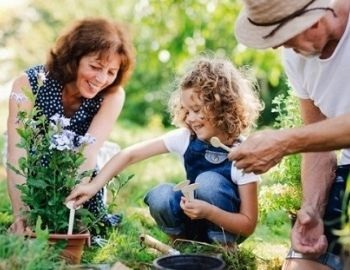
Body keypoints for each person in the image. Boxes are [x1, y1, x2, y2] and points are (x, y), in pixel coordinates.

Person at [66, 56, 263, 245]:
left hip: (226, 226)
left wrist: (209, 212)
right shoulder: (186, 138)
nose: (190, 118)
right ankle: (180, 240)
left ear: (222, 107)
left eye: (197, 110)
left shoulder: (243, 155)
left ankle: (224, 247)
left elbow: (247, 224)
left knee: (208, 181)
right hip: (192, 220)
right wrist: (93, 186)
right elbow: (129, 155)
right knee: (161, 195)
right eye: (186, 110)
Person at [233, 0, 350, 269]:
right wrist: (312, 209)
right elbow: (318, 143)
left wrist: (284, 141)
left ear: (314, 19)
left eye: (283, 36)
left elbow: (303, 137)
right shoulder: (296, 58)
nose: (277, 47)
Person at [7, 18, 135, 236]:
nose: (102, 79)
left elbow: (89, 153)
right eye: (95, 67)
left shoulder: (112, 95)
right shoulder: (28, 83)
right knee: (31, 221)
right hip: (33, 165)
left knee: (86, 227)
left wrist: (67, 210)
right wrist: (22, 215)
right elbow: (16, 152)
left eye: (111, 72)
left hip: (78, 167)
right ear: (74, 59)